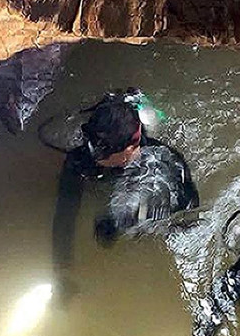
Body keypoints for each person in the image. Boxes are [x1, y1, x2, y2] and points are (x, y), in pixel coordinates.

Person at [51, 92, 199, 286]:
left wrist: (122, 220)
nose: (94, 156)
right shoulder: (80, 159)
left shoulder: (162, 160)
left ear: (128, 150)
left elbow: (187, 213)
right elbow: (64, 215)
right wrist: (62, 271)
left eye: (102, 154)